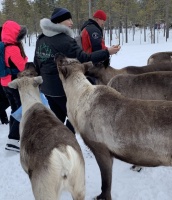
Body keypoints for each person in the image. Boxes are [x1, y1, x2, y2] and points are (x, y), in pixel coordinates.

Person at [34, 7, 120, 134]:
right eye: (68, 19)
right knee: (75, 119)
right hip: (63, 88)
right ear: (59, 22)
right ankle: (66, 141)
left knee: (58, 117)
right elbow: (85, 58)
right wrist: (107, 52)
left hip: (47, 88)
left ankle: (58, 141)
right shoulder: (65, 40)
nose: (71, 22)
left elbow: (37, 62)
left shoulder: (41, 39)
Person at [1, 20, 28, 152]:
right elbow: (22, 66)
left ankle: (15, 136)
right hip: (14, 82)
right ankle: (13, 139)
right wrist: (25, 58)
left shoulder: (4, 46)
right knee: (21, 110)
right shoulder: (13, 48)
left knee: (14, 109)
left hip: (5, 83)